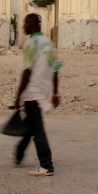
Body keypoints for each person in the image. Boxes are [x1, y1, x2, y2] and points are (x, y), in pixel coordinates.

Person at [10, 13, 61, 176]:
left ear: (32, 25)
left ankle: (46, 165)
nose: (23, 26)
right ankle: (19, 154)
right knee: (31, 124)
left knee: (37, 128)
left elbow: (27, 71)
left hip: (32, 92)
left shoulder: (31, 44)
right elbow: (55, 68)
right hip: (42, 91)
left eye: (25, 23)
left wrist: (18, 95)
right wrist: (55, 92)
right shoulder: (48, 43)